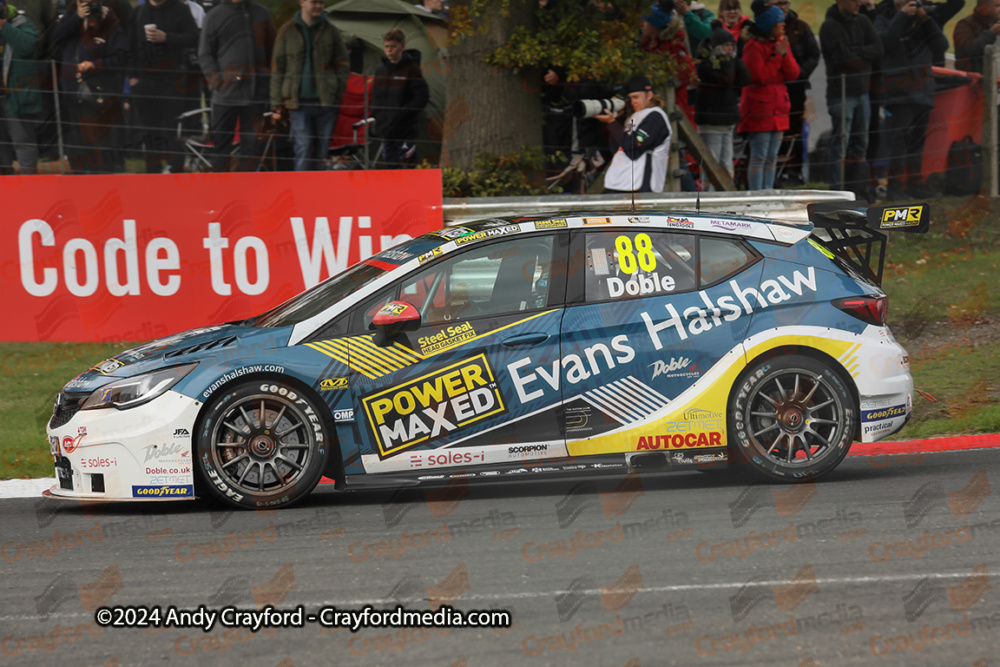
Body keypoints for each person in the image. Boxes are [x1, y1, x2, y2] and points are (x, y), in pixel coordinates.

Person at [876, 0, 948, 199]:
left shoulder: (922, 23)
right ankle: (895, 189)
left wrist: (927, 20)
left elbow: (941, 45)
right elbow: (887, 42)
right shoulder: (884, 20)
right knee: (900, 145)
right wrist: (901, 16)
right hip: (899, 94)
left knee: (917, 144)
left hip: (922, 91)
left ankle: (915, 185)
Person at [271, 0, 348, 171]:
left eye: (321, 3)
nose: (319, 6)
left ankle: (318, 193)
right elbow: (277, 68)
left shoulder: (331, 30)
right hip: (297, 103)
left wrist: (337, 91)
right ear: (302, 2)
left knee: (321, 151)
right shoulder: (286, 31)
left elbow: (342, 63)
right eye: (314, 2)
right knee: (304, 147)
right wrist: (277, 103)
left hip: (326, 103)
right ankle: (301, 192)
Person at [198, 0, 275, 171]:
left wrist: (267, 77)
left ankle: (246, 193)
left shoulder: (262, 13)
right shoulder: (214, 16)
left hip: (256, 97)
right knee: (221, 150)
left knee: (252, 150)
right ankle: (221, 193)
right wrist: (218, 81)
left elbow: (273, 51)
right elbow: (204, 54)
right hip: (224, 99)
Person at [53, 0, 127, 173]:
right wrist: (77, 18)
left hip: (98, 94)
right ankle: (79, 182)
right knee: (76, 141)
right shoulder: (71, 19)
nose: (87, 4)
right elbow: (56, 38)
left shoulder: (110, 22)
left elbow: (121, 57)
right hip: (72, 91)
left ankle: (103, 180)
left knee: (99, 142)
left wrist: (95, 65)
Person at [127, 0, 199, 173]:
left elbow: (194, 38)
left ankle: (176, 169)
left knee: (172, 128)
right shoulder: (138, 12)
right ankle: (152, 171)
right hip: (144, 80)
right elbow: (129, 46)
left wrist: (167, 37)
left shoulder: (181, 9)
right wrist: (133, 76)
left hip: (172, 79)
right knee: (149, 129)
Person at [819, 0, 883, 191]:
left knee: (861, 143)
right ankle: (837, 189)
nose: (859, 4)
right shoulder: (829, 26)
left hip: (863, 92)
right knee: (841, 142)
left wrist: (858, 52)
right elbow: (843, 59)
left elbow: (878, 49)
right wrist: (863, 55)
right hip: (842, 93)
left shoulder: (863, 21)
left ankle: (856, 186)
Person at [738, 0, 799, 190]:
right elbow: (760, 76)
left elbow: (794, 73)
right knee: (759, 156)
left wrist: (782, 53)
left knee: (772, 157)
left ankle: (768, 193)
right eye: (779, 22)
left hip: (778, 108)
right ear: (769, 25)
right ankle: (757, 196)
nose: (784, 25)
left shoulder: (781, 43)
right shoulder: (753, 47)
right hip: (760, 109)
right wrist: (776, 57)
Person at [596, 75, 672, 193]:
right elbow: (616, 147)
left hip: (640, 184)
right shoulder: (633, 117)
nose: (633, 102)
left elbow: (634, 149)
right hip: (619, 182)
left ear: (649, 95)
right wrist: (616, 120)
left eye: (636, 97)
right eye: (630, 98)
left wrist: (612, 123)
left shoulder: (656, 117)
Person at [695, 21, 750, 180]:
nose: (730, 49)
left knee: (726, 164)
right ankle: (709, 198)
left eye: (732, 45)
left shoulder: (730, 63)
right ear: (716, 47)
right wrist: (728, 60)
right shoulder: (708, 65)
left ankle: (725, 197)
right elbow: (727, 79)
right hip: (711, 122)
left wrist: (735, 58)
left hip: (727, 122)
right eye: (726, 45)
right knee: (712, 165)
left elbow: (746, 79)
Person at [775, 0, 818, 185]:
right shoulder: (767, 28)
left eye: (784, 3)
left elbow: (814, 54)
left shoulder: (801, 26)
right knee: (776, 131)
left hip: (797, 88)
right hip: (775, 88)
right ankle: (778, 171)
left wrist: (801, 74)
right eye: (777, 3)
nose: (782, 7)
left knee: (796, 131)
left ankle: (795, 171)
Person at [371, 29, 428, 168]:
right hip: (386, 129)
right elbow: (376, 97)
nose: (389, 50)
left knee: (407, 166)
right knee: (390, 169)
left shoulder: (412, 69)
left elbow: (421, 97)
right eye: (387, 46)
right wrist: (377, 116)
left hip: (405, 130)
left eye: (393, 46)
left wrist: (402, 114)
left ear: (402, 47)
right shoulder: (380, 70)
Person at [0, 1, 42, 174]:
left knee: (22, 139)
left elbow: (28, 46)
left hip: (15, 95)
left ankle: (30, 183)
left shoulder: (21, 22)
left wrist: (4, 27)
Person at [639, 3, 696, 123]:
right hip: (652, 104)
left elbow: (688, 74)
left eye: (646, 22)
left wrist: (665, 81)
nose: (642, 25)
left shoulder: (674, 48)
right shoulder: (648, 46)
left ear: (655, 26)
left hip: (673, 104)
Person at [955, 0, 1000, 73]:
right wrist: (991, 33)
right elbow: (964, 53)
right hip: (979, 80)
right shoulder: (965, 24)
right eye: (998, 6)